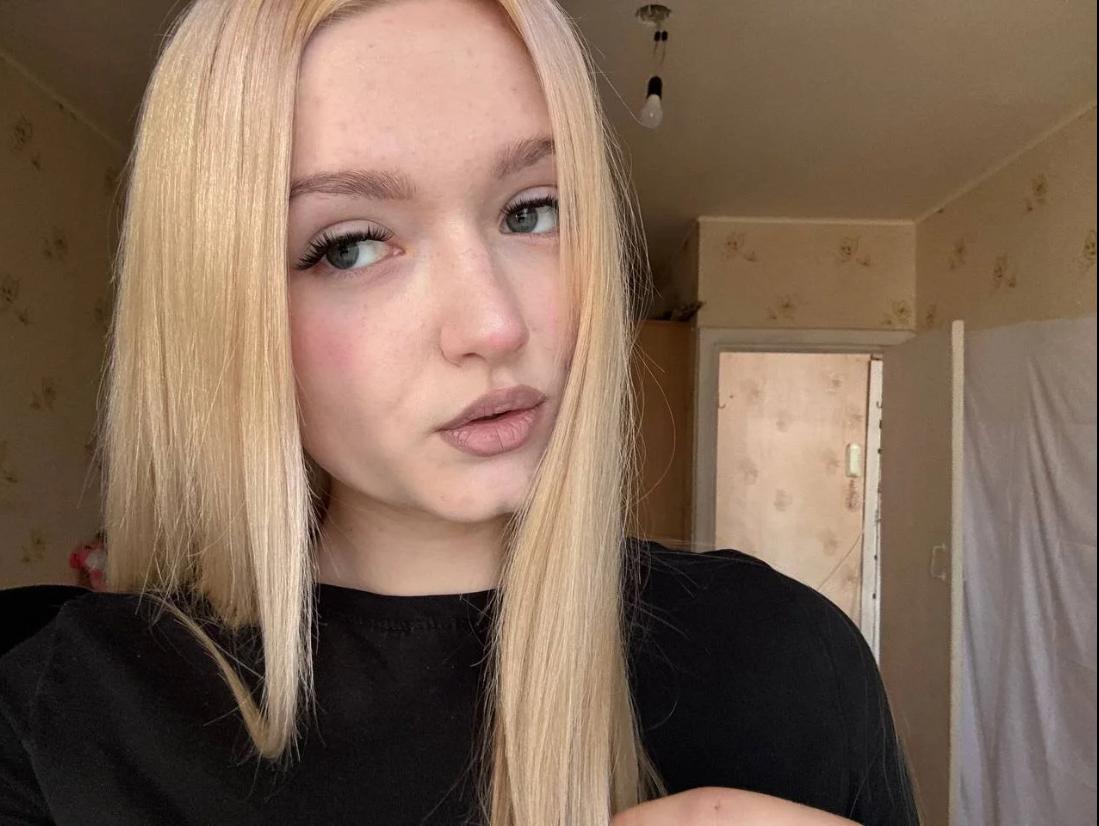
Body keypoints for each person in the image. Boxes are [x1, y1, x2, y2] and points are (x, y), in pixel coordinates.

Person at [0, 0, 919, 824]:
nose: (493, 324)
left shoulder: (782, 657)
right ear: (218, 309)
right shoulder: (60, 714)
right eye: (350, 246)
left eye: (531, 212)